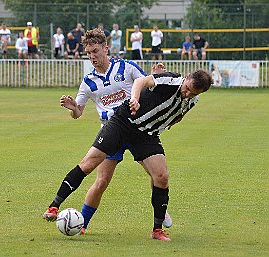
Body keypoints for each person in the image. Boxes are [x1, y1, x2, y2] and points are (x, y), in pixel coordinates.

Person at [44, 65, 212, 241]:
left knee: (161, 176)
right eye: (187, 88)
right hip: (123, 123)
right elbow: (141, 81)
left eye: (192, 93)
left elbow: (179, 112)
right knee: (89, 164)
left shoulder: (192, 100)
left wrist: (172, 120)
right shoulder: (169, 80)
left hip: (147, 134)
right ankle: (54, 206)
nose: (187, 94)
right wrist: (135, 99)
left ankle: (157, 230)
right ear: (185, 78)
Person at [56, 28, 172, 235]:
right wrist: (74, 108)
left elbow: (147, 84)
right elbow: (79, 113)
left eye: (95, 51)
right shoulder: (88, 82)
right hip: (112, 131)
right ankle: (82, 225)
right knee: (101, 181)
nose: (92, 56)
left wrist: (156, 76)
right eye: (89, 53)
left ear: (105, 48)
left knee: (157, 174)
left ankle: (161, 212)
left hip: (138, 127)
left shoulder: (126, 67)